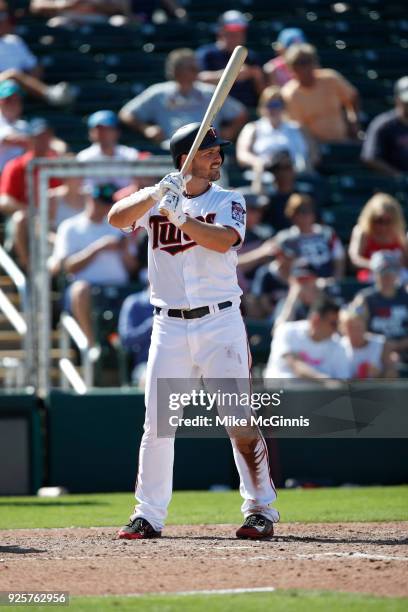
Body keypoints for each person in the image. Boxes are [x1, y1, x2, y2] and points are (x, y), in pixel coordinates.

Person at [108, 122, 280, 540]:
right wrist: (154, 194)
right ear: (185, 158)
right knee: (158, 424)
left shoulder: (228, 198)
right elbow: (116, 218)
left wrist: (181, 216)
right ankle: (147, 514)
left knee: (238, 420)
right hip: (168, 324)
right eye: (208, 151)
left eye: (219, 150)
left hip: (219, 321)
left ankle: (261, 510)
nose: (218, 156)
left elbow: (224, 241)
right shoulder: (160, 198)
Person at [50, 183, 138, 347]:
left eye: (106, 204)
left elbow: (132, 268)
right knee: (80, 290)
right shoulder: (70, 227)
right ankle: (91, 345)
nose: (102, 207)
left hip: (120, 289)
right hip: (88, 289)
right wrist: (98, 248)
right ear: (89, 199)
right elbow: (66, 267)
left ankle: (127, 350)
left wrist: (125, 249)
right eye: (98, 202)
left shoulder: (119, 227)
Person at [119, 48, 246, 147]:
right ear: (176, 70)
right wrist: (146, 128)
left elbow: (240, 113)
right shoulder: (158, 92)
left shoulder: (210, 92)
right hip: (172, 151)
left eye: (196, 67)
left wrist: (229, 131)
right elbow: (125, 113)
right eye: (191, 68)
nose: (196, 70)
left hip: (207, 149)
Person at [0, 118, 64, 268]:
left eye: (46, 136)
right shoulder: (16, 166)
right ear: (29, 139)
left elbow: (68, 191)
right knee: (20, 218)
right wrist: (31, 212)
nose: (43, 140)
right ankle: (27, 266)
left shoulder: (57, 164)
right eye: (38, 137)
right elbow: (3, 201)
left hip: (52, 217)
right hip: (28, 220)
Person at [281, 43, 360, 142]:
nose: (306, 67)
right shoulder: (289, 94)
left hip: (343, 140)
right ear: (291, 67)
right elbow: (297, 128)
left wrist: (353, 120)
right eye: (300, 63)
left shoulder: (330, 79)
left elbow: (352, 96)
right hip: (314, 149)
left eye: (308, 61)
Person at [0, 4, 75, 105]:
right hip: (4, 83)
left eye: (5, 16)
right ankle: (49, 94)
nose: (5, 21)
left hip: (18, 86)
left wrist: (30, 83)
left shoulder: (14, 40)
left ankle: (36, 92)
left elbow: (34, 66)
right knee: (12, 75)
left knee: (20, 74)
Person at [264, 295, 350, 379]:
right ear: (316, 320)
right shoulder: (287, 331)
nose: (336, 328)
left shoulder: (339, 345)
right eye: (333, 324)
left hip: (319, 393)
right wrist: (325, 381)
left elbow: (342, 380)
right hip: (279, 391)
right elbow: (295, 364)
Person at [236, 86, 313, 175]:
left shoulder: (298, 128)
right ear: (262, 107)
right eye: (269, 105)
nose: (273, 109)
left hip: (297, 176)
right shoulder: (252, 128)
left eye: (277, 105)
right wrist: (257, 163)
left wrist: (305, 166)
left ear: (283, 107)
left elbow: (314, 154)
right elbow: (242, 155)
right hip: (265, 175)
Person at [196, 10, 264, 107]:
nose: (236, 35)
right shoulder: (206, 53)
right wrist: (233, 74)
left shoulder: (250, 56)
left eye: (240, 31)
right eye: (231, 31)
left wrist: (256, 75)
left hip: (249, 109)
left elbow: (263, 91)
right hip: (215, 110)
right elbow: (197, 79)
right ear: (220, 31)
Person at [352, 251, 408, 369]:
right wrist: (383, 346)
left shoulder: (406, 296)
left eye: (391, 272)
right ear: (374, 274)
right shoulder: (365, 299)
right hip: (374, 351)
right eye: (382, 273)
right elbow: (355, 329)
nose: (387, 277)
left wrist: (398, 345)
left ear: (397, 273)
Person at [273, 193, 345, 280]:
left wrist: (334, 281)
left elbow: (339, 260)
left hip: (326, 281)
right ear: (292, 214)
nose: (305, 216)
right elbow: (282, 268)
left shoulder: (327, 233)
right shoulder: (284, 238)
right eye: (299, 212)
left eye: (308, 211)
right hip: (299, 283)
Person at [348, 193, 408, 282]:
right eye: (379, 221)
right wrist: (374, 265)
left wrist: (393, 265)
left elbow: (404, 262)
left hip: (397, 277)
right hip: (370, 276)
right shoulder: (362, 232)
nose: (383, 226)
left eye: (388, 221)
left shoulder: (399, 233)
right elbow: (355, 259)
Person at [77, 110, 141, 190]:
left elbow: (138, 185)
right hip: (93, 201)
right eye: (98, 129)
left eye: (107, 129)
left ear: (117, 132)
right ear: (91, 133)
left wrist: (124, 195)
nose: (103, 133)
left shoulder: (131, 155)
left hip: (128, 200)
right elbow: (84, 188)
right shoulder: (83, 157)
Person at [361, 76, 408, 176]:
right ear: (397, 99)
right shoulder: (383, 124)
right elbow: (370, 158)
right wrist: (398, 176)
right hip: (390, 185)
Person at [339, 307, 395, 379]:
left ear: (365, 326)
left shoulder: (381, 344)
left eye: (359, 327)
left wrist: (380, 374)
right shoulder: (338, 346)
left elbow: (393, 374)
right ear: (343, 329)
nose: (356, 332)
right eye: (351, 328)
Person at [118, 285, 153, 387]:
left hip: (178, 361)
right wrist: (151, 325)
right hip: (144, 364)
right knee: (151, 379)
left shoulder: (177, 303)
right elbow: (125, 339)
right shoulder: (134, 303)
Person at [0, 80, 29, 173]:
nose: (14, 103)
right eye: (9, 100)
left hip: (17, 178)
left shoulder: (24, 125)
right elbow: (10, 139)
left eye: (17, 99)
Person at [30, 0, 128, 26]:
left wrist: (95, 5)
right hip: (68, 20)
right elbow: (36, 6)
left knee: (120, 22)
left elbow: (120, 8)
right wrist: (68, 5)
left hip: (100, 21)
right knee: (56, 24)